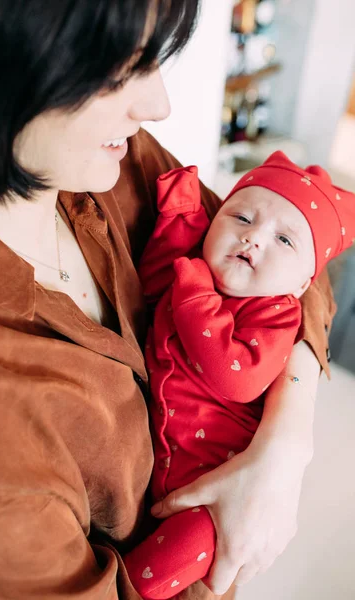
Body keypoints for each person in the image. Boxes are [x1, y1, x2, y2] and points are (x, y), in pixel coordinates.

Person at [0, 1, 336, 599]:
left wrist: (285, 447)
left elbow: (300, 259)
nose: (158, 105)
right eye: (115, 72)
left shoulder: (114, 163)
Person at [123, 153, 355, 598]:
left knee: (148, 577)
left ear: (302, 285)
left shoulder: (276, 314)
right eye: (241, 216)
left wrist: (195, 297)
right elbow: (152, 285)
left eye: (284, 240)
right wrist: (178, 215)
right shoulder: (199, 269)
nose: (253, 237)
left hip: (218, 493)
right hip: (162, 473)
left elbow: (239, 377)